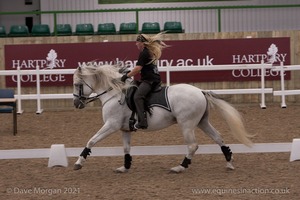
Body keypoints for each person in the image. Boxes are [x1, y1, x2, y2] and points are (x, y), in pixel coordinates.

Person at [121, 33, 168, 130]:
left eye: (137, 42)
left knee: (137, 96)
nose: (136, 44)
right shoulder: (149, 51)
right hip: (153, 79)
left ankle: (142, 122)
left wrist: (126, 76)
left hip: (149, 81)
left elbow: (138, 69)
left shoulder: (144, 53)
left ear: (142, 43)